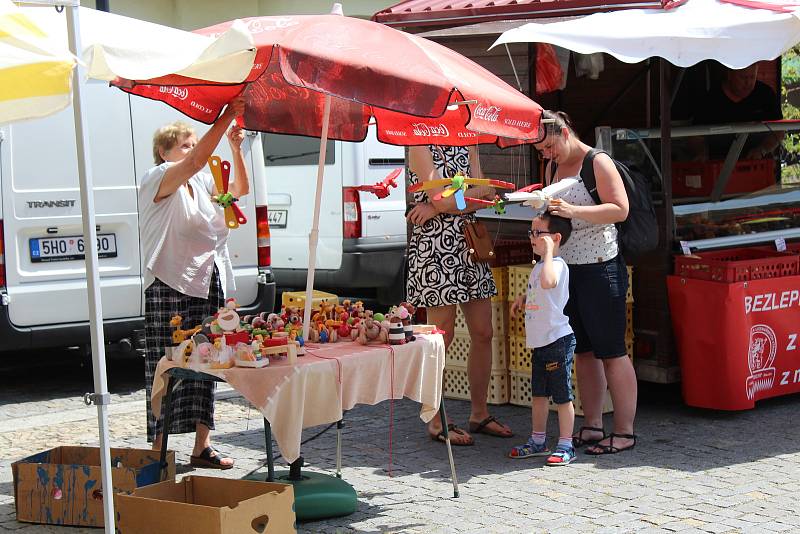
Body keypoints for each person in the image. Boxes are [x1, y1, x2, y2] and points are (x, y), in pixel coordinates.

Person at [140, 97, 249, 469]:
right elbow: (197, 160)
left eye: (192, 142)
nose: (191, 148)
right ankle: (158, 450)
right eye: (184, 143)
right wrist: (226, 115)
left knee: (208, 362)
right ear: (163, 151)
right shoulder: (158, 177)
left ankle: (202, 446)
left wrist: (236, 147)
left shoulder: (202, 182)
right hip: (169, 281)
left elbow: (239, 189)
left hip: (206, 280)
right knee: (166, 366)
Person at [536, 110, 638, 455]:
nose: (546, 154)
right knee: (583, 350)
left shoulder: (597, 161)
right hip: (568, 268)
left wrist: (573, 211)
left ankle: (624, 431)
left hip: (601, 266)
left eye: (549, 146)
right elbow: (553, 214)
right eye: (541, 151)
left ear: (564, 132)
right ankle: (592, 423)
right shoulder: (553, 166)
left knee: (612, 350)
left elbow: (619, 209)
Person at [406, 144, 513, 446]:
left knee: (483, 331)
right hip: (437, 247)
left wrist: (444, 205)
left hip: (469, 241)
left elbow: (486, 191)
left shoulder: (467, 142)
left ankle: (479, 412)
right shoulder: (420, 143)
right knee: (442, 336)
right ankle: (435, 417)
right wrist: (446, 203)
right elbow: (449, 198)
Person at [508, 212, 576, 466]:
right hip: (540, 343)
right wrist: (523, 299)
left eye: (539, 233)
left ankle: (566, 443)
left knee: (562, 395)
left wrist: (548, 253)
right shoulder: (539, 266)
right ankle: (538, 440)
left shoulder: (556, 265)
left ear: (556, 238)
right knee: (538, 394)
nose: (532, 238)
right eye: (531, 233)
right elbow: (539, 290)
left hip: (557, 341)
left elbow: (549, 283)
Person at [691, 63, 783, 160]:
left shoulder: (765, 94)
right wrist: (701, 153)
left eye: (752, 77)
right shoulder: (710, 99)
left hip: (757, 164)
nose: (748, 83)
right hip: (717, 163)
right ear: (729, 74)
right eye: (743, 77)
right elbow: (695, 136)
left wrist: (762, 150)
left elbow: (779, 131)